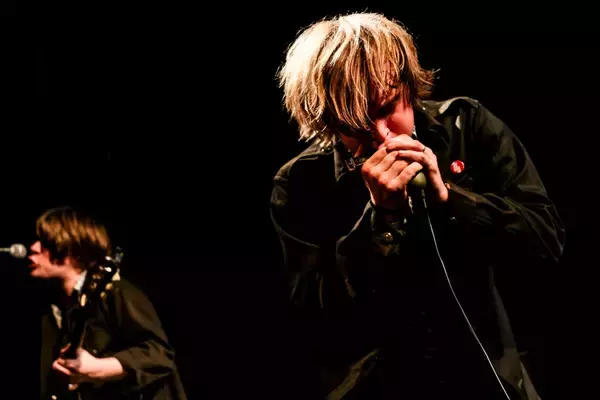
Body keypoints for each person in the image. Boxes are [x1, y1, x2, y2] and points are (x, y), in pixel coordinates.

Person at [270, 12, 565, 400]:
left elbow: (546, 240)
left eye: (387, 108)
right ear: (328, 120)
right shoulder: (300, 182)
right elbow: (316, 320)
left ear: (408, 85)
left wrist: (449, 197)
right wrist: (382, 221)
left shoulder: (467, 125)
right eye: (356, 124)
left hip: (489, 381)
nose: (381, 136)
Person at [28, 206, 187, 400]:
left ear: (72, 248)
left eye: (45, 242)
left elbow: (160, 354)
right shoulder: (55, 309)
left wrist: (98, 368)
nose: (33, 247)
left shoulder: (114, 291)